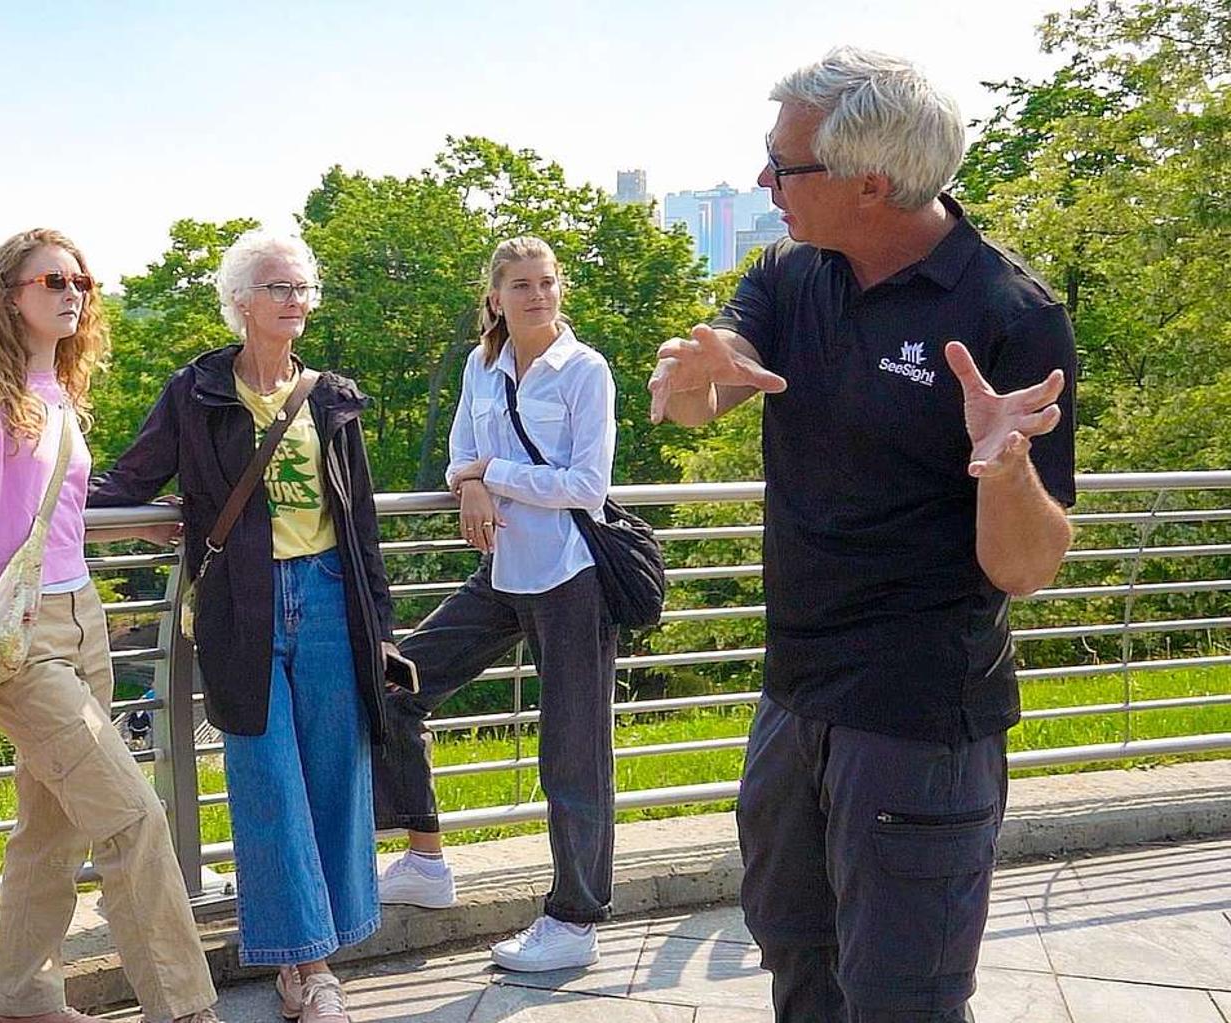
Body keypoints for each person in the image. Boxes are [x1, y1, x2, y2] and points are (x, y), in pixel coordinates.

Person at [647, 48, 1077, 1022]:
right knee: (797, 967)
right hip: (792, 701)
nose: (763, 183)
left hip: (917, 723)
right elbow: (718, 376)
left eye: (782, 166)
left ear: (869, 182)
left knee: (901, 1001)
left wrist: (1002, 468)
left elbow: (1023, 567)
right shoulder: (790, 272)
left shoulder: (1010, 316)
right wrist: (696, 376)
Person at [0, 228, 219, 1023]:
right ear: (7, 295)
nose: (71, 292)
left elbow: (46, 520)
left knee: (52, 827)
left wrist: (132, 529)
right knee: (132, 816)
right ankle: (185, 1010)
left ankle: (21, 999)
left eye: (80, 279)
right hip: (17, 636)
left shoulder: (56, 391)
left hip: (83, 617)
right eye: (51, 279)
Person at [91, 229, 395, 1023]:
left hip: (331, 596)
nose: (295, 301)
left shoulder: (331, 396)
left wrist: (384, 629)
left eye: (302, 288)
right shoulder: (197, 392)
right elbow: (128, 477)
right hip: (241, 605)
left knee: (335, 774)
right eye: (278, 288)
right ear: (239, 303)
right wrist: (41, 498)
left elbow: (359, 524)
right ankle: (307, 970)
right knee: (268, 783)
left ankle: (317, 956)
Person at [371, 236, 621, 972]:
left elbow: (586, 486)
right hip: (502, 572)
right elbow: (457, 456)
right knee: (394, 685)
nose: (536, 294)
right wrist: (472, 482)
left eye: (546, 282)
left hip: (570, 576)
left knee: (574, 753)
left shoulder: (585, 370)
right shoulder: (483, 367)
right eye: (520, 284)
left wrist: (493, 470)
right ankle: (424, 860)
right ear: (495, 297)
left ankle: (575, 919)